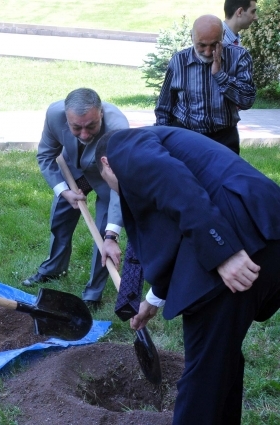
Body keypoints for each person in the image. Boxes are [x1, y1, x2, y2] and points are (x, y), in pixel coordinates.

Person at [95, 125, 280, 425]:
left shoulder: (122, 144)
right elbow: (174, 231)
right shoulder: (163, 151)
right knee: (219, 359)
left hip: (239, 240)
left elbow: (174, 182)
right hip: (266, 231)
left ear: (106, 163)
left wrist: (223, 252)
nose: (119, 192)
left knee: (203, 374)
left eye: (110, 184)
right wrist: (153, 300)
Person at [22, 88, 126, 311]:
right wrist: (63, 191)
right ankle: (54, 268)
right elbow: (46, 155)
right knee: (60, 218)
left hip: (108, 177)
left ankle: (93, 292)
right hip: (74, 169)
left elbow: (120, 184)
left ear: (101, 114)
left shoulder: (118, 129)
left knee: (102, 234)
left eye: (91, 126)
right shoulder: (54, 114)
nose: (85, 134)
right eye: (76, 127)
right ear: (67, 117)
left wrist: (112, 234)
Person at [154, 14, 256, 155]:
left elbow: (247, 100)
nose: (208, 52)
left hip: (224, 137)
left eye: (214, 45)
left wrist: (220, 75)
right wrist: (162, 138)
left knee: (225, 170)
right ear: (192, 37)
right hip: (185, 135)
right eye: (201, 45)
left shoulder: (239, 57)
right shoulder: (179, 61)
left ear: (223, 35)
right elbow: (164, 107)